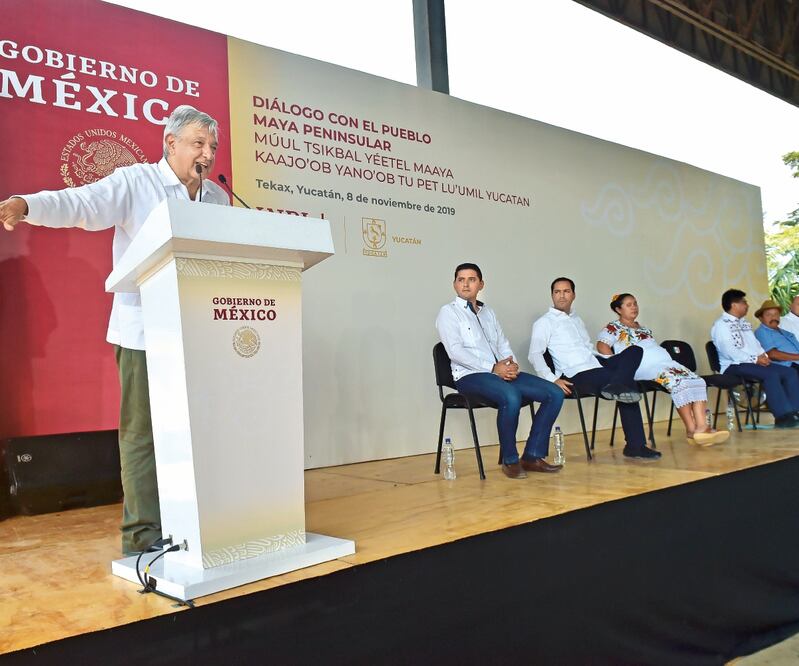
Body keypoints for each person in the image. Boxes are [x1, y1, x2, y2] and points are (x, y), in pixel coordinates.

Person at [0, 105, 230, 554]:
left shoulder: (217, 199)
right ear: (171, 144)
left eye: (213, 147)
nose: (208, 154)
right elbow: (80, 203)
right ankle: (141, 537)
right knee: (142, 434)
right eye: (198, 143)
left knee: (197, 430)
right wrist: (28, 205)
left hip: (200, 333)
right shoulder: (136, 182)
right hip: (145, 333)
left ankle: (193, 524)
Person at [436, 263, 565, 479]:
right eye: (461, 279)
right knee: (511, 395)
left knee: (554, 393)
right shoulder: (448, 313)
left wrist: (510, 365)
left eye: (472, 279)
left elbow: (502, 343)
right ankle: (510, 460)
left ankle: (532, 455)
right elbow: (455, 352)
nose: (466, 284)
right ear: (454, 284)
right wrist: (493, 368)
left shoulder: (488, 313)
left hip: (499, 373)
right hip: (470, 377)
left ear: (481, 284)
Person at [528, 277, 661, 460]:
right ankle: (635, 445)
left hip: (596, 363)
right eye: (557, 292)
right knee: (627, 385)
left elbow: (588, 349)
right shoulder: (544, 322)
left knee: (635, 351)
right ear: (552, 295)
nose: (561, 296)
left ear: (573, 295)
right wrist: (552, 379)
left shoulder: (576, 319)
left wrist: (612, 361)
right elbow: (535, 354)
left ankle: (617, 384)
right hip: (576, 373)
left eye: (566, 291)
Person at [596, 293, 728, 446]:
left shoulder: (644, 328)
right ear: (618, 309)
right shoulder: (613, 327)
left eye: (635, 303)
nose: (634, 307)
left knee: (697, 380)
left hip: (664, 363)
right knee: (678, 382)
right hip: (642, 366)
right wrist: (619, 367)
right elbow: (602, 345)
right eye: (629, 304)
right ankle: (692, 430)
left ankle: (701, 426)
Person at [711, 289, 799, 429]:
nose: (747, 305)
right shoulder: (722, 325)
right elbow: (730, 351)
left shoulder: (744, 323)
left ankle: (795, 412)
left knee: (790, 372)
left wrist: (762, 355)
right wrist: (755, 359)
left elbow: (755, 344)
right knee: (772, 374)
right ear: (734, 305)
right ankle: (782, 417)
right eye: (744, 302)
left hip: (752, 362)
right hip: (734, 365)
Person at [753, 299, 799, 371]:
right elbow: (772, 355)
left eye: (776, 314)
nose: (773, 317)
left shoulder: (787, 333)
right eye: (768, 315)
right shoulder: (762, 332)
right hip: (788, 366)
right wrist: (797, 357)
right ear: (761, 318)